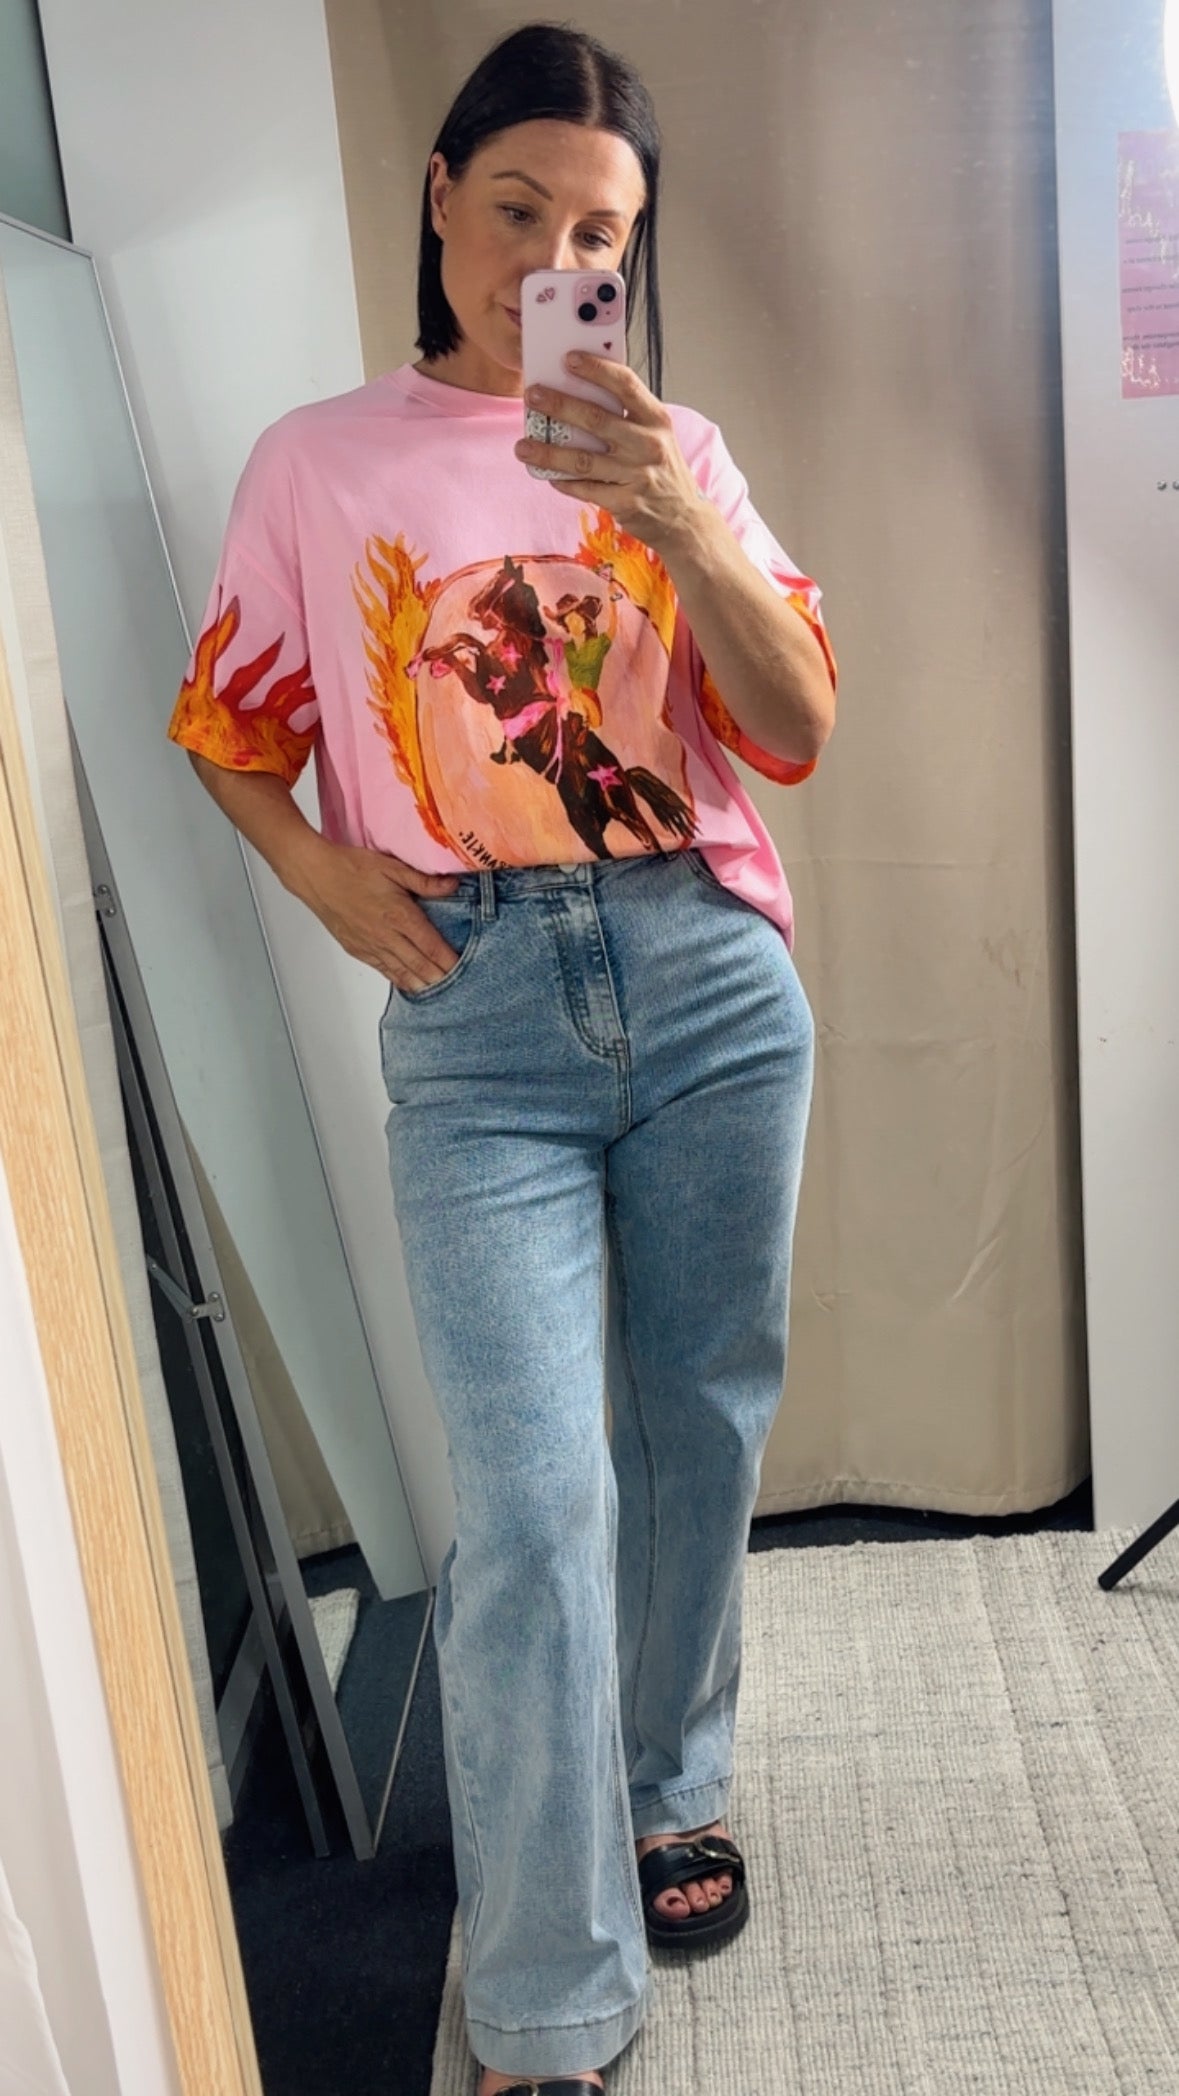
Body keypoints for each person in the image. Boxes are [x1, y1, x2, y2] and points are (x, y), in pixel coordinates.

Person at [167, 23, 837, 2095]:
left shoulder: (674, 446)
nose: (556, 256)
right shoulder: (319, 462)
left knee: (698, 1419)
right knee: (536, 1497)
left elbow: (794, 723)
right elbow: (229, 726)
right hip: (478, 1019)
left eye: (601, 235)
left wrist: (678, 516)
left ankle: (671, 1781)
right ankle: (549, 1999)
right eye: (521, 207)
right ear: (441, 195)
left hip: (703, 974)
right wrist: (319, 875)